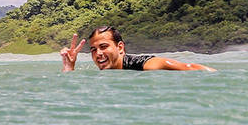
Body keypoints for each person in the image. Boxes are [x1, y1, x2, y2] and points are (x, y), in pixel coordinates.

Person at [60, 26, 216, 72]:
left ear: (120, 47)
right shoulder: (105, 74)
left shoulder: (143, 64)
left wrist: (215, 74)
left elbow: (189, 67)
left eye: (103, 47)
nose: (98, 54)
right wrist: (69, 67)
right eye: (93, 49)